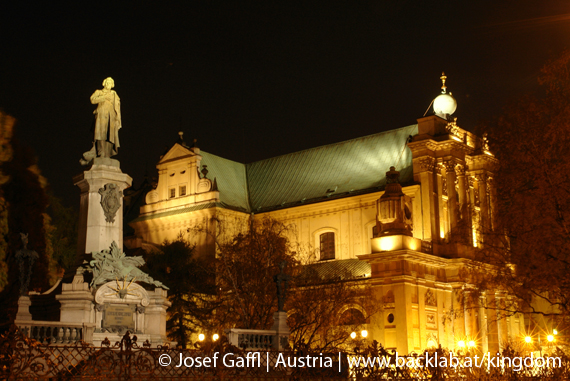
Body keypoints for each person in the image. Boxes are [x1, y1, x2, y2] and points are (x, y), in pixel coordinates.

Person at [90, 77, 121, 158]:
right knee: (100, 133)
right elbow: (92, 100)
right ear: (104, 83)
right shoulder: (99, 92)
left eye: (110, 83)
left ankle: (107, 153)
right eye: (107, 82)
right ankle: (100, 152)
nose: (109, 84)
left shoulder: (114, 93)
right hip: (101, 114)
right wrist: (103, 97)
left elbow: (117, 106)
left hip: (111, 115)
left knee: (110, 135)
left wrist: (117, 117)